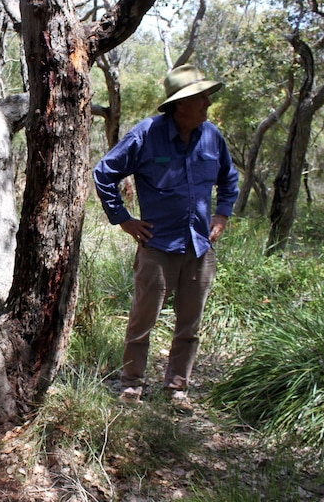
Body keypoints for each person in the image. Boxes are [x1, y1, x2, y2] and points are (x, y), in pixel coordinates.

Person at [92, 64, 239, 407]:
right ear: (181, 103)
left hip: (199, 247)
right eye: (201, 97)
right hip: (157, 246)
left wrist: (222, 214)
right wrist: (124, 220)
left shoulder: (212, 137)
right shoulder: (146, 134)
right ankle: (131, 384)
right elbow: (104, 173)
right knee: (143, 319)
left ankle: (177, 388)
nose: (207, 102)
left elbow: (228, 180)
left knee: (190, 324)